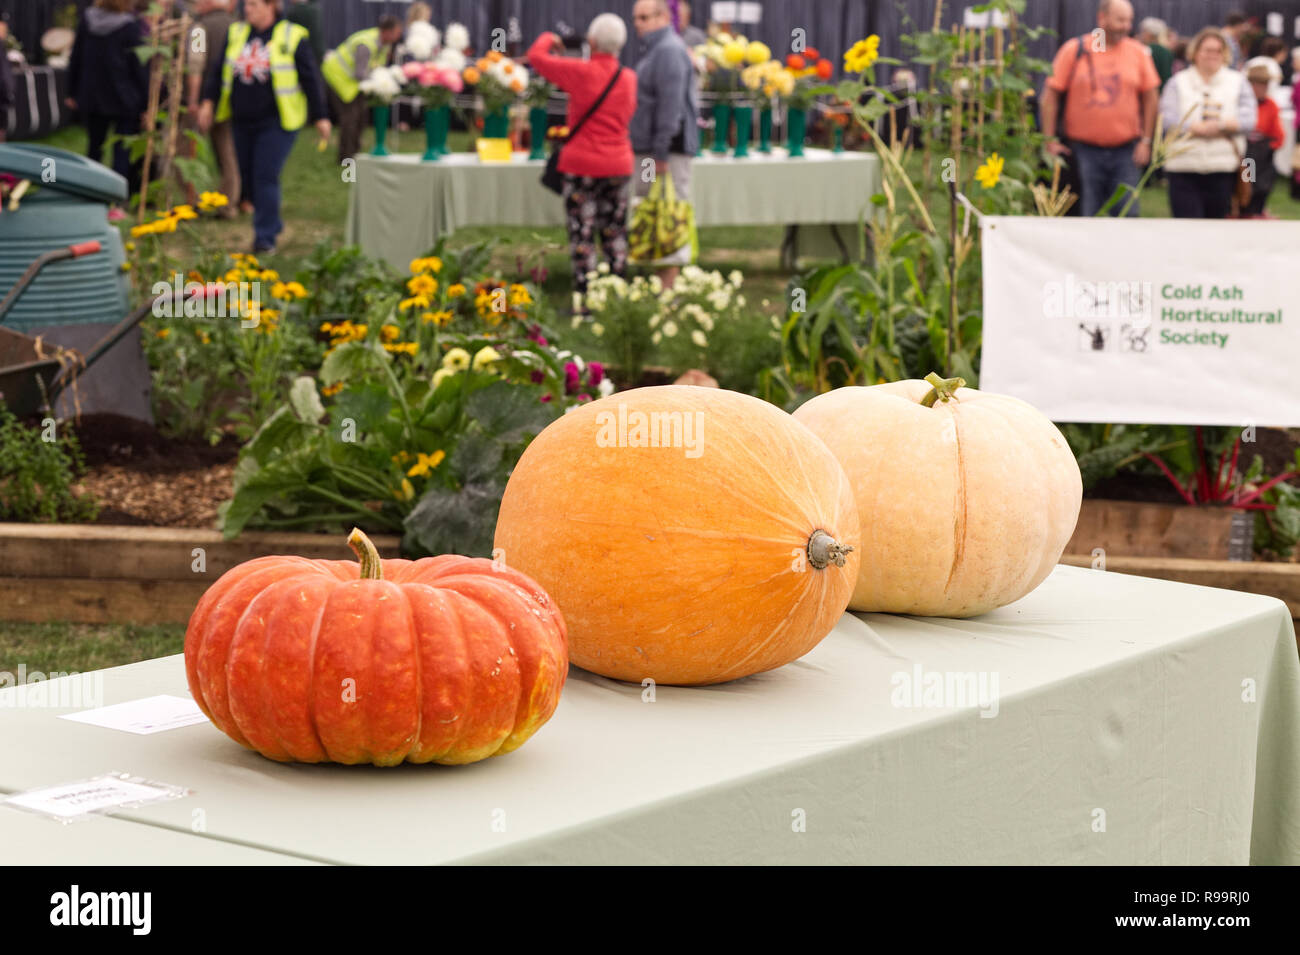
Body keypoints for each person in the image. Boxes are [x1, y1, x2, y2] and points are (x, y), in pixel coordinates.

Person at [198, 0, 330, 254]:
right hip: (241, 118)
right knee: (247, 176)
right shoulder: (236, 33)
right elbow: (218, 70)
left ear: (271, 7)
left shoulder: (292, 35)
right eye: (246, 5)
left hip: (277, 121)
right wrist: (208, 100)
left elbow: (310, 78)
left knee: (265, 175)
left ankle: (264, 238)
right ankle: (271, 220)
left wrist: (321, 116)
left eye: (254, 5)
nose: (247, 9)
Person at [528, 15, 637, 303]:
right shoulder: (629, 79)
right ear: (621, 44)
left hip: (581, 165)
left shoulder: (580, 72)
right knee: (615, 231)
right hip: (618, 163)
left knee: (582, 234)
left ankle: (586, 299)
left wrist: (552, 39)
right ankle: (617, 297)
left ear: (591, 42)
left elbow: (536, 57)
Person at [1041, 0, 1159, 217]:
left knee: (1126, 213)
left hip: (1126, 150)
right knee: (1084, 212)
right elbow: (1050, 95)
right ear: (1101, 18)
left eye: (1129, 21)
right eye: (1120, 20)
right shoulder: (1075, 49)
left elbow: (1151, 98)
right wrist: (1049, 140)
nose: (1126, 26)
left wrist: (1146, 141)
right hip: (1082, 150)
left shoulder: (1138, 53)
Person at [630, 0, 699, 285]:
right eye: (636, 18)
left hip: (664, 151)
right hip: (652, 149)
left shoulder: (668, 50)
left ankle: (668, 289)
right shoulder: (657, 49)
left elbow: (670, 108)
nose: (638, 24)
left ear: (662, 17)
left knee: (669, 210)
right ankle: (660, 282)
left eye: (644, 17)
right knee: (651, 206)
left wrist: (660, 154)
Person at [1159, 27, 1256, 219]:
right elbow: (1167, 119)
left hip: (1223, 167)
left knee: (1217, 227)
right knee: (1186, 225)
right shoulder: (1177, 82)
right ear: (1195, 52)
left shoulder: (1238, 82)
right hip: (1183, 166)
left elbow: (1249, 120)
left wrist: (1220, 125)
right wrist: (1194, 128)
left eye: (1217, 51)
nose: (1212, 55)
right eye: (1207, 50)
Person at [65, 0, 149, 194]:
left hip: (93, 94)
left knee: (95, 146)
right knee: (122, 150)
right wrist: (145, 101)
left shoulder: (88, 19)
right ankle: (116, 194)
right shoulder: (130, 25)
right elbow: (138, 65)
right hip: (124, 97)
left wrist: (72, 91)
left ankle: (91, 191)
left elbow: (76, 56)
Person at [322, 16, 403, 164]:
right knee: (350, 119)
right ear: (386, 32)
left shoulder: (385, 45)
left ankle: (355, 154)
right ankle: (346, 158)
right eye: (396, 33)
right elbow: (360, 73)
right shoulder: (366, 44)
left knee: (361, 118)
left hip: (354, 83)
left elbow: (378, 67)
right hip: (338, 78)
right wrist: (378, 82)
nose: (398, 36)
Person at [186, 0, 238, 217]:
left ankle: (193, 199)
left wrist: (193, 100)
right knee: (226, 150)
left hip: (203, 98)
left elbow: (195, 64)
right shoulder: (237, 26)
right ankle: (228, 201)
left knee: (185, 148)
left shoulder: (200, 29)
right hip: (227, 98)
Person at [1241, 63, 1283, 217]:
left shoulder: (1270, 105)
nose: (1261, 88)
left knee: (1264, 182)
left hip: (1263, 153)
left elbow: (1278, 135)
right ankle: (1243, 209)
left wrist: (1270, 145)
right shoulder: (1243, 104)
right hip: (1246, 154)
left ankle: (1257, 210)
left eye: (1264, 84)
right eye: (1257, 84)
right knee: (1246, 181)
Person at [1138, 17, 1172, 91]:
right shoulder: (1167, 52)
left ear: (1149, 33)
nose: (1141, 34)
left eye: (1143, 31)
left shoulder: (1142, 51)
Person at [284, 0, 324, 65]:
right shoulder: (313, 9)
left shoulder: (298, 11)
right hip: (308, 55)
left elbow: (315, 36)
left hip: (304, 55)